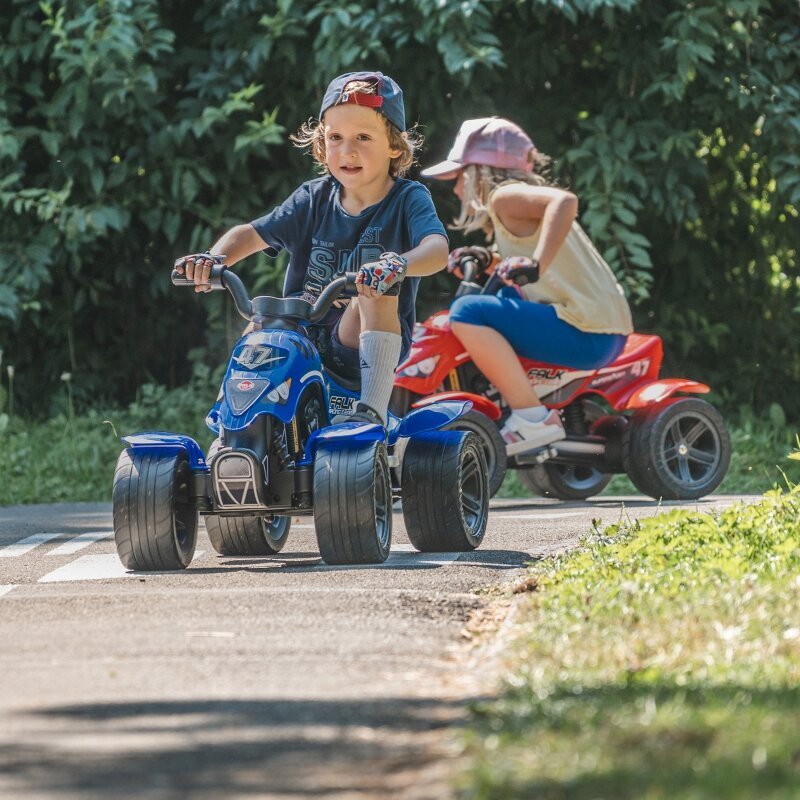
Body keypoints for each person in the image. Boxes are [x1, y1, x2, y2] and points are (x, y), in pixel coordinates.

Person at [175, 71, 449, 425]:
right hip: (300, 331)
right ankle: (233, 423)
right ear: (322, 142)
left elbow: (437, 249)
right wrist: (214, 259)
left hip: (355, 341)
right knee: (261, 323)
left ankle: (371, 415)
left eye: (363, 137)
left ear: (394, 146)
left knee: (374, 289)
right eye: (336, 137)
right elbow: (250, 233)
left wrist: (398, 263)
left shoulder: (408, 198)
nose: (347, 151)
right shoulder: (312, 198)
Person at [420, 117, 633, 454]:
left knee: (466, 311)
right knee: (495, 296)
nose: (456, 188)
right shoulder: (509, 209)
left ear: (480, 171)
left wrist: (536, 265)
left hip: (586, 330)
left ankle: (532, 417)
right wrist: (489, 259)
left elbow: (564, 202)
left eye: (459, 177)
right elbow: (534, 262)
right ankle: (517, 403)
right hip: (597, 328)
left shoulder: (503, 196)